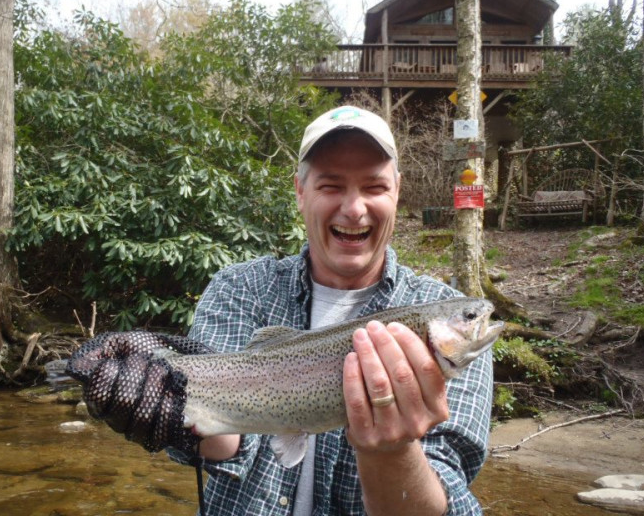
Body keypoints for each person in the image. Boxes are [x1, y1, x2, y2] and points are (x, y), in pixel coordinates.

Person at [168, 105, 493, 515]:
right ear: (300, 192)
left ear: (397, 191)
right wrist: (163, 405)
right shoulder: (241, 289)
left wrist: (392, 452)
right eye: (331, 186)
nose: (354, 209)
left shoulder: (450, 336)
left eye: (374, 187)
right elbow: (223, 442)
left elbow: (448, 498)